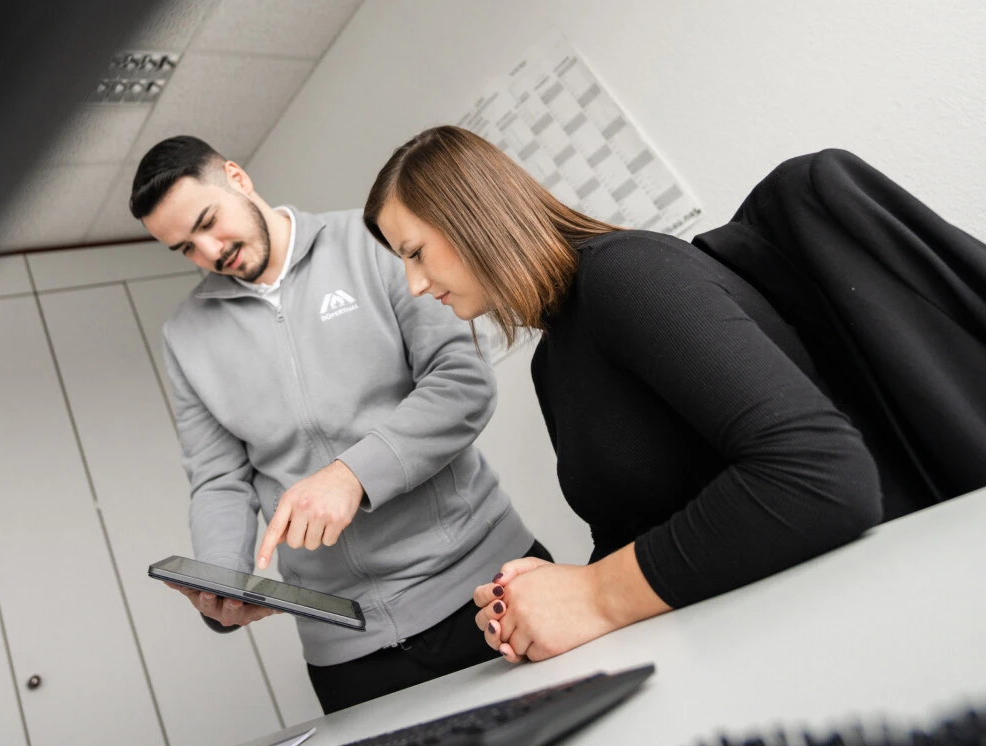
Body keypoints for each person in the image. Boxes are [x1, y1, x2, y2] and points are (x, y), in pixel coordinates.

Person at [362, 125, 884, 664]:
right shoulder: (552, 361)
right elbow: (638, 533)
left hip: (841, 630)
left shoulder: (626, 273)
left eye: (416, 253)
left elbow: (822, 474)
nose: (415, 285)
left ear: (472, 218)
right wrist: (554, 593)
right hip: (745, 642)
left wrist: (593, 594)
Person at [131, 135, 543, 712]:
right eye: (185, 248)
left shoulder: (372, 241)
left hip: (480, 582)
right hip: (346, 648)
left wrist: (351, 475)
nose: (208, 251)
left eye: (208, 222)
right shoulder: (186, 337)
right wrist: (222, 581)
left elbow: (462, 382)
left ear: (237, 178)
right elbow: (217, 479)